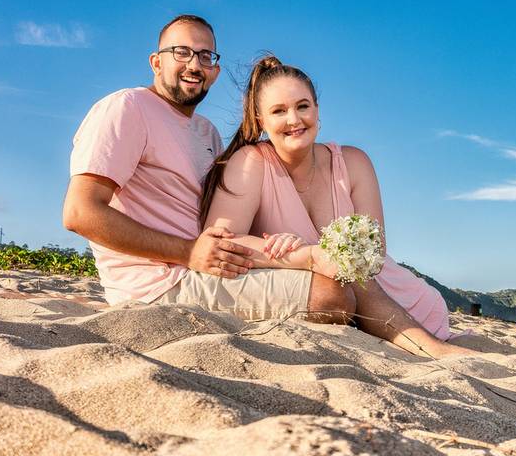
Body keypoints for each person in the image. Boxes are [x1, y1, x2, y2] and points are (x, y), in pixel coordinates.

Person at [62, 15, 354, 325]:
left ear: (215, 71)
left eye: (205, 56)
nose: (194, 65)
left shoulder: (207, 132)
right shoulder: (126, 107)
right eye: (181, 52)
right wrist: (188, 252)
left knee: (336, 275)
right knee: (330, 295)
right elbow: (80, 213)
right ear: (156, 62)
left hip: (210, 267)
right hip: (160, 283)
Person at [199, 55, 478, 359]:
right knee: (339, 272)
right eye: (279, 111)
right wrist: (303, 255)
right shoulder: (250, 163)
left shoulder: (354, 162)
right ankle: (434, 350)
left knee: (349, 270)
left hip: (404, 302)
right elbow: (221, 243)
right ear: (260, 120)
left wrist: (320, 254)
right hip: (330, 301)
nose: (294, 120)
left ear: (317, 110)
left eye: (302, 106)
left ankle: (434, 346)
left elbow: (374, 255)